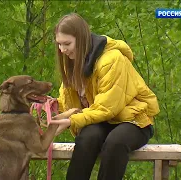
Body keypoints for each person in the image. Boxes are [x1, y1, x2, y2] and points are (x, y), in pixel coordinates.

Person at [48, 13, 160, 180]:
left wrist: (72, 121)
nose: (62, 50)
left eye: (67, 44)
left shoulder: (111, 60)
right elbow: (69, 102)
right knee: (87, 137)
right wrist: (52, 109)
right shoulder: (71, 61)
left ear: (82, 39)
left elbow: (107, 107)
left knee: (115, 143)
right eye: (59, 44)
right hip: (104, 120)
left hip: (135, 118)